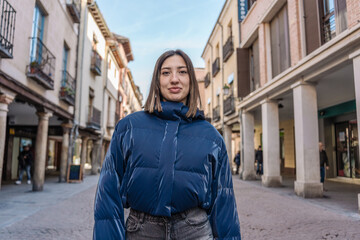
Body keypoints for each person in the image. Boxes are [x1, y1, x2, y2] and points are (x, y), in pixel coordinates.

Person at [93, 50, 241, 239]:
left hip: (195, 231)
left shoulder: (211, 136)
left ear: (191, 80)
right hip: (141, 231)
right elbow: (108, 192)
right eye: (166, 73)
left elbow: (224, 199)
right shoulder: (128, 127)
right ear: (157, 80)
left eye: (182, 72)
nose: (174, 79)